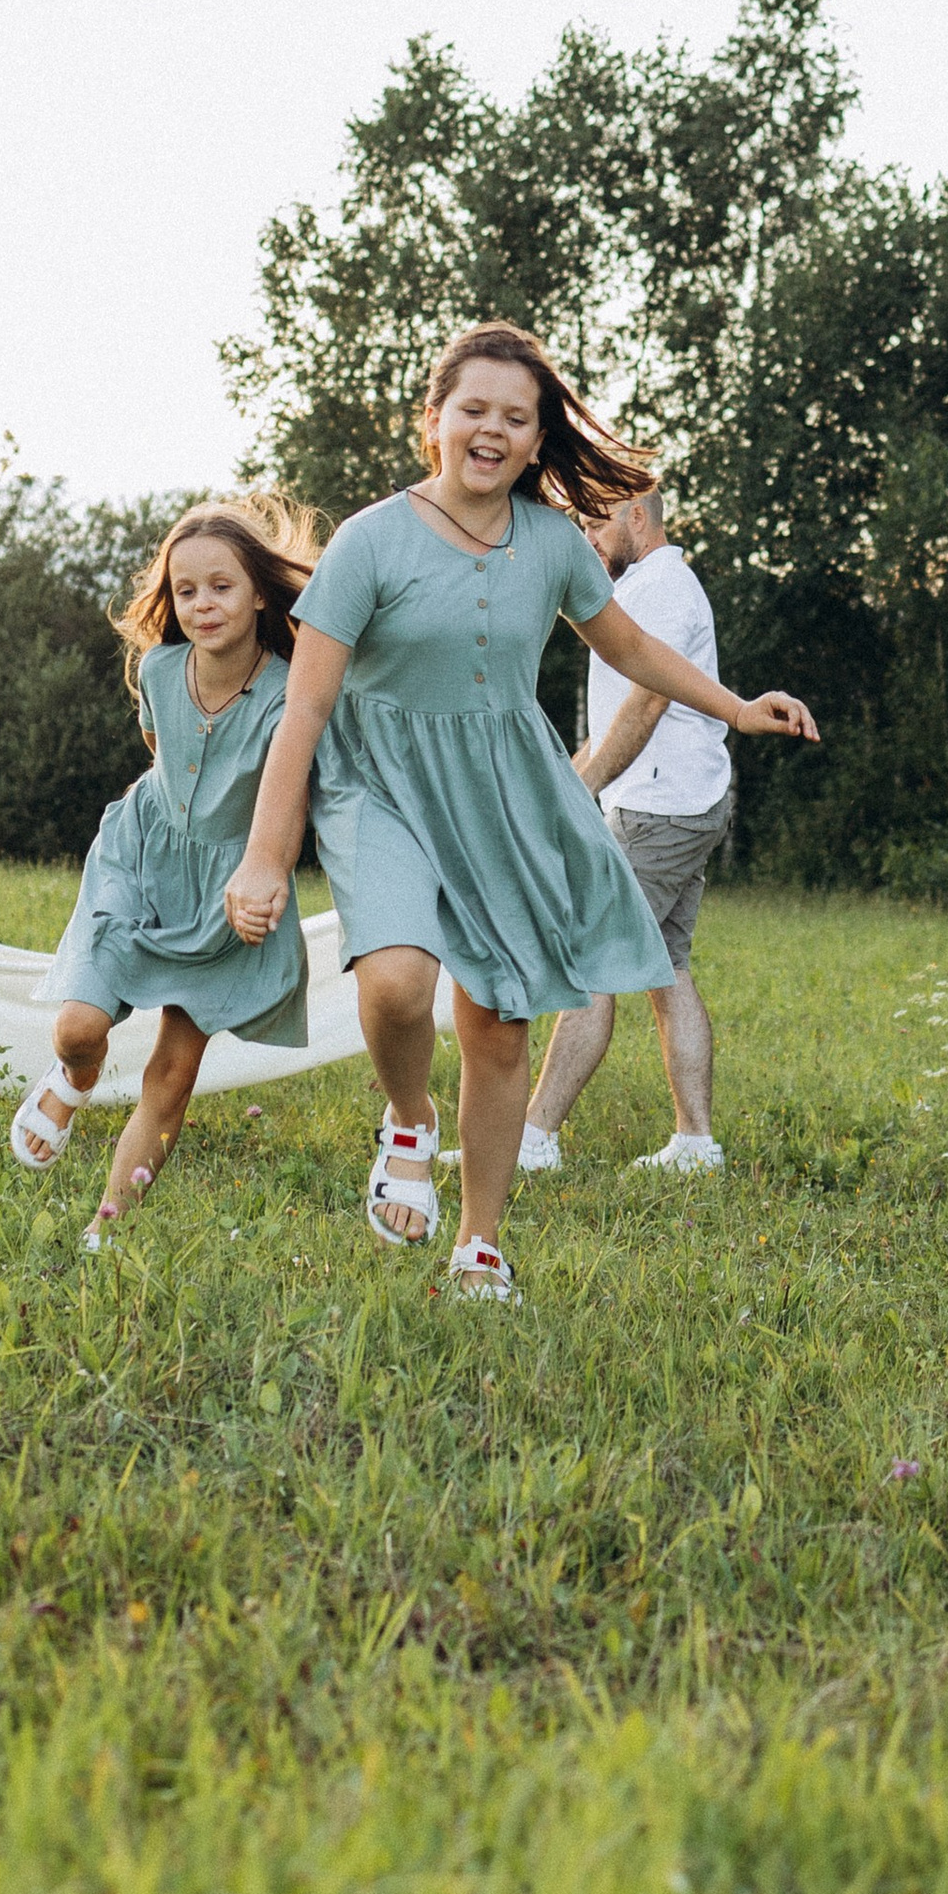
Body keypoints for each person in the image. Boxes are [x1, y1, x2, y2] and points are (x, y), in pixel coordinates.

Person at [226, 325, 818, 1301]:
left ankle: (479, 1243)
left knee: (499, 1023)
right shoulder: (372, 540)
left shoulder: (550, 544)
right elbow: (305, 709)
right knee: (398, 985)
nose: (493, 429)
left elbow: (630, 650)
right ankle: (409, 1118)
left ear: (538, 436)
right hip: (380, 789)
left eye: (517, 415)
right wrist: (263, 857)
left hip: (503, 797)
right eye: (475, 410)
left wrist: (735, 706)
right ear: (434, 422)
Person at [11, 498, 319, 1245]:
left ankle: (107, 1227)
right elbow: (161, 750)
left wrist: (266, 868)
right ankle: (75, 1081)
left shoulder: (293, 692)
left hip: (227, 885)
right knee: (80, 1027)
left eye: (221, 586)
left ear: (257, 592)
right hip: (142, 855)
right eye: (186, 592)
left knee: (172, 1073)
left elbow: (295, 796)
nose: (202, 605)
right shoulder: (158, 667)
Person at [521, 480, 741, 1174]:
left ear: (635, 519)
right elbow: (617, 718)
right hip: (673, 803)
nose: (586, 541)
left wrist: (582, 788)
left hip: (659, 811)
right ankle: (696, 1143)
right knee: (666, 969)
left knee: (591, 969)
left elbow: (646, 708)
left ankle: (534, 1138)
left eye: (593, 525)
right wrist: (565, 786)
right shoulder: (635, 592)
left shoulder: (666, 590)